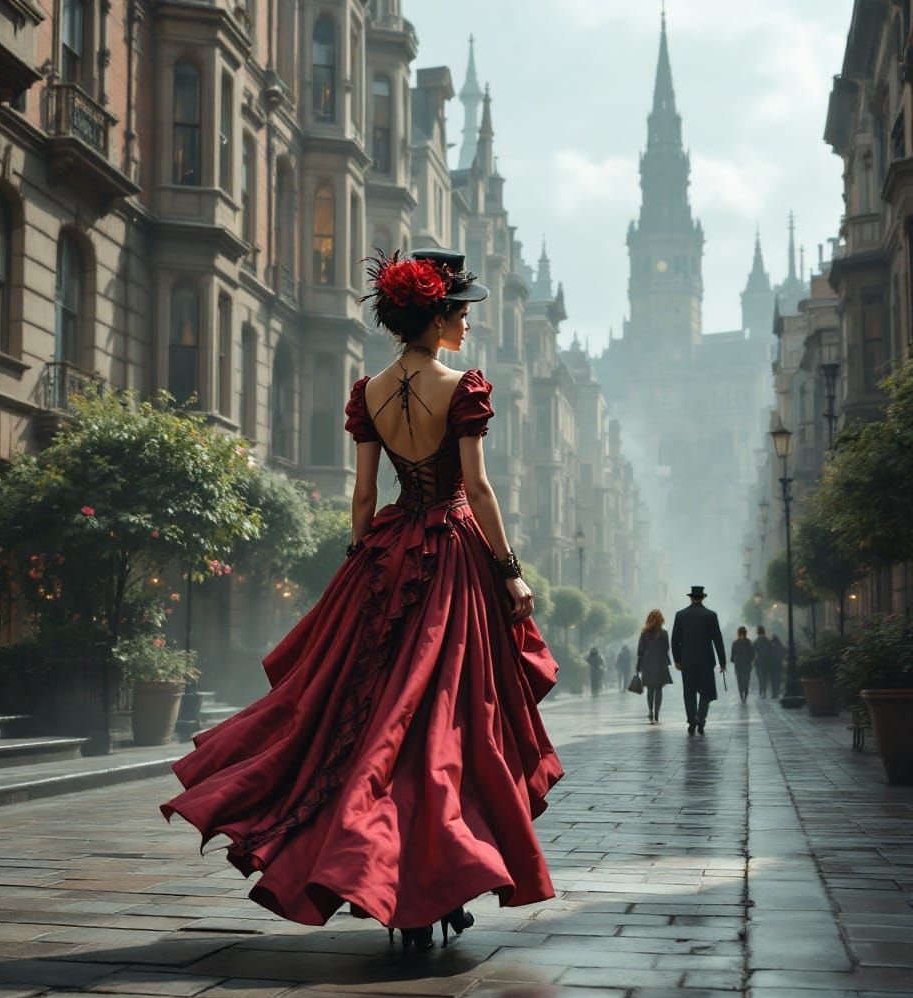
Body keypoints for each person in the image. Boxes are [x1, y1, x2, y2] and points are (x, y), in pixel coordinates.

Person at [161, 248, 563, 955]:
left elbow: (363, 494)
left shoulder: (368, 390)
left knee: (368, 717)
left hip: (385, 549)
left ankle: (394, 876)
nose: (467, 322)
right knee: (443, 724)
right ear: (436, 314)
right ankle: (435, 876)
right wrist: (509, 570)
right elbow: (479, 485)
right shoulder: (460, 385)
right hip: (451, 557)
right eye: (461, 309)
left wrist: (362, 562)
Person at [671, 585, 727, 736]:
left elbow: (675, 640)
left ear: (691, 597)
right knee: (706, 690)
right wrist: (722, 661)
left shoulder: (680, 615)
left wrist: (677, 659)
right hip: (706, 660)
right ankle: (701, 718)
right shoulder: (710, 615)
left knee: (689, 692)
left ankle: (691, 721)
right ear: (703, 598)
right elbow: (718, 639)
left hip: (687, 660)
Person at [636, 609, 672, 723]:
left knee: (650, 689)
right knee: (659, 688)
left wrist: (638, 665)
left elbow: (640, 650)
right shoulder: (664, 633)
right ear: (661, 620)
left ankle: (650, 710)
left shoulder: (644, 633)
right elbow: (667, 648)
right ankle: (657, 711)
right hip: (660, 662)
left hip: (647, 662)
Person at [730, 626, 754, 703]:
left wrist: (734, 660)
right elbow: (752, 655)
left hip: (738, 665)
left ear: (738, 633)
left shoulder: (735, 643)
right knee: (746, 680)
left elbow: (732, 657)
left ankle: (741, 696)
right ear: (745, 633)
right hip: (747, 664)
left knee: (739, 681)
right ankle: (745, 695)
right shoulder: (749, 642)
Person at [753, 625, 771, 697]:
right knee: (765, 677)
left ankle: (761, 689)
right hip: (766, 661)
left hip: (759, 661)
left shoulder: (756, 641)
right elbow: (771, 651)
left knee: (760, 677)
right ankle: (764, 690)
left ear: (757, 632)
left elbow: (753, 651)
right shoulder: (767, 641)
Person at [769, 633, 786, 699]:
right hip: (778, 665)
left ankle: (774, 693)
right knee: (778, 679)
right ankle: (777, 692)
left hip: (772, 665)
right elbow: (785, 651)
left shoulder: (770, 646)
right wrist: (782, 658)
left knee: (773, 680)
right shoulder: (780, 645)